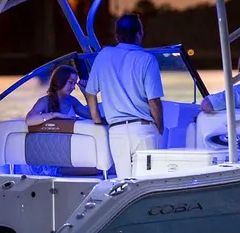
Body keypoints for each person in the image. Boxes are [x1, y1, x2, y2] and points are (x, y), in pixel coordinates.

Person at [84, 13, 164, 178]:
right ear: (140, 34)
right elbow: (154, 101)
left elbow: (90, 92)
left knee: (124, 184)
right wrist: (159, 128)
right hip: (143, 130)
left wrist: (97, 119)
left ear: (117, 36)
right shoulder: (147, 60)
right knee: (147, 182)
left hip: (116, 132)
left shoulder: (104, 56)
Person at [26, 65, 92, 126]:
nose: (73, 87)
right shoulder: (45, 101)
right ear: (60, 81)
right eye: (71, 82)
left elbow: (91, 116)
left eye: (74, 84)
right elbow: (29, 120)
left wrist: (86, 92)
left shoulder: (71, 100)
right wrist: (55, 115)